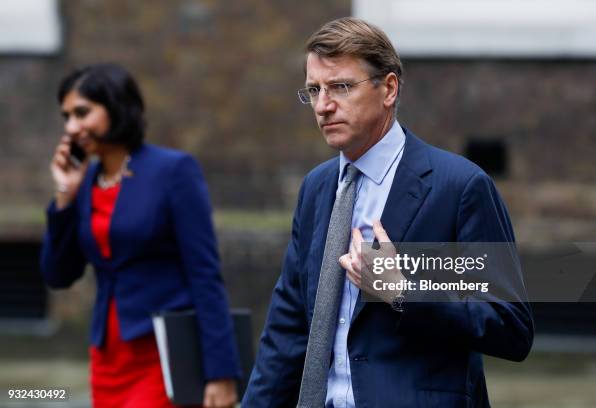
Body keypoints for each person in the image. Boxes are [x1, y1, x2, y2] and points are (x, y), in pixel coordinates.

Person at [243, 17, 533, 407]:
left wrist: (403, 293)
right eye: (314, 90)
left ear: (389, 89)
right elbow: (288, 331)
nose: (324, 106)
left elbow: (510, 326)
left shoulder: (458, 187)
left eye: (341, 87)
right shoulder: (316, 188)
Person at [40, 63, 240, 408]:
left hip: (162, 353)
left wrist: (221, 372)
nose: (71, 127)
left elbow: (204, 273)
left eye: (82, 113)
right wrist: (64, 196)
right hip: (107, 356)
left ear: (116, 106)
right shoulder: (85, 182)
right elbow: (59, 275)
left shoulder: (173, 170)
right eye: (66, 116)